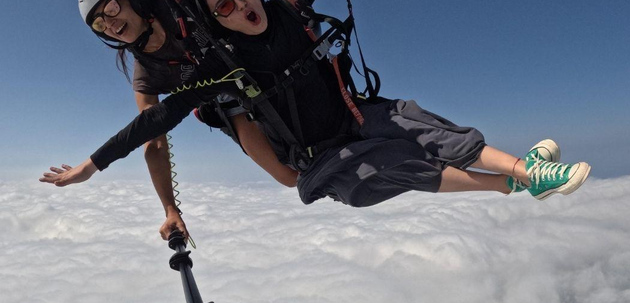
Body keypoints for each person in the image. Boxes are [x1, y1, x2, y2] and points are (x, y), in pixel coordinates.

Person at [41, 0, 591, 238]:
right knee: (297, 174)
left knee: (407, 123)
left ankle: (520, 175)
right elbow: (154, 132)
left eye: (113, 9)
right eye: (101, 24)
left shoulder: (181, 7)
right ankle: (514, 180)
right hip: (232, 100)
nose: (111, 21)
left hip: (274, 71)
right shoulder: (151, 70)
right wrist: (156, 201)